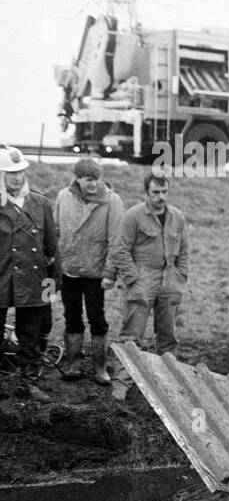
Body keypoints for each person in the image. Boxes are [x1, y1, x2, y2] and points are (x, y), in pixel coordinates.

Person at [54, 157, 124, 385]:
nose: (93, 184)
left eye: (97, 179)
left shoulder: (112, 201)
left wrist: (110, 272)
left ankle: (100, 367)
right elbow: (56, 232)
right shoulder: (64, 197)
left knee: (97, 318)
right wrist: (56, 266)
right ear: (77, 178)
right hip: (69, 270)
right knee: (71, 316)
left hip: (95, 274)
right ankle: (73, 363)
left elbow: (116, 240)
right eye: (88, 179)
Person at [1, 144, 58, 403]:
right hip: (3, 278)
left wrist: (51, 289)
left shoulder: (40, 203)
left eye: (20, 171)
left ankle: (28, 382)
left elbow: (51, 251)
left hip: (35, 280)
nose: (17, 177)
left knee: (31, 332)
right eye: (10, 173)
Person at [112, 174, 189, 356]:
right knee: (131, 335)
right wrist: (133, 279)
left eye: (164, 192)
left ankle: (168, 380)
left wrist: (180, 275)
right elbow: (120, 250)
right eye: (155, 192)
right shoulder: (133, 216)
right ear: (146, 192)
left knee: (168, 336)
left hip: (170, 279)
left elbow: (184, 249)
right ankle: (123, 381)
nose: (161, 197)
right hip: (143, 276)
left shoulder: (177, 217)